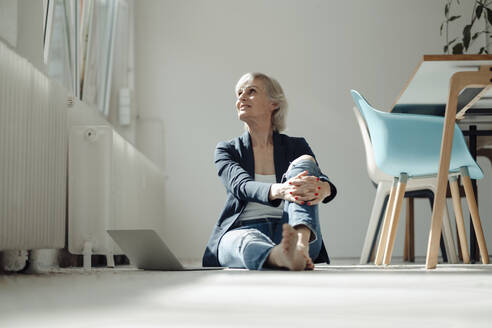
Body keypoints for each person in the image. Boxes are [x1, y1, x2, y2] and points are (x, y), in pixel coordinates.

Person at [202, 72, 337, 271]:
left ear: (274, 104)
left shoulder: (296, 146)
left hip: (292, 230)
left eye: (251, 91)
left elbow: (320, 180)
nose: (242, 97)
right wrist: (281, 190)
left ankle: (299, 246)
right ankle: (280, 256)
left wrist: (324, 189)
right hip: (245, 230)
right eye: (239, 93)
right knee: (242, 241)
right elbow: (241, 186)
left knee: (305, 162)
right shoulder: (227, 150)